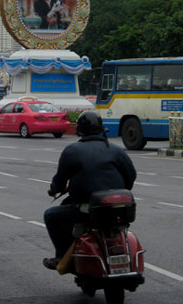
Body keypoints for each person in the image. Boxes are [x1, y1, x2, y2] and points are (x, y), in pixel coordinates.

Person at [42, 110, 137, 270]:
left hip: (88, 210)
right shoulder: (116, 150)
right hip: (118, 209)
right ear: (101, 129)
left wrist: (53, 189)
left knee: (50, 216)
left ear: (79, 130)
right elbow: (131, 176)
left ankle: (62, 256)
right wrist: (118, 192)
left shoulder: (72, 151)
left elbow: (59, 182)